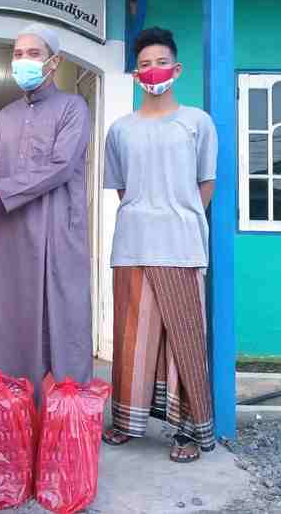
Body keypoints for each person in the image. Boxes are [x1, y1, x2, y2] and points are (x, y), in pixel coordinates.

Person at [102, 27, 218, 463]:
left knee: (183, 338)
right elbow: (122, 188)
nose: (153, 71)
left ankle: (188, 431)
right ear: (136, 74)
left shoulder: (197, 123)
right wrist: (147, 214)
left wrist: (177, 216)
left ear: (177, 69)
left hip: (182, 245)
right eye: (145, 65)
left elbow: (206, 183)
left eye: (161, 62)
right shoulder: (120, 130)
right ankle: (127, 421)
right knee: (132, 338)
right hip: (132, 245)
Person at [0, 23, 93, 401]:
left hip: (56, 229)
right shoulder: (6, 115)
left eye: (34, 54)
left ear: (54, 62)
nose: (24, 61)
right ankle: (11, 406)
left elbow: (61, 166)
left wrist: (1, 189)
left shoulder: (73, 107)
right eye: (18, 54)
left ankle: (62, 413)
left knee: (60, 315)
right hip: (13, 229)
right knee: (11, 314)